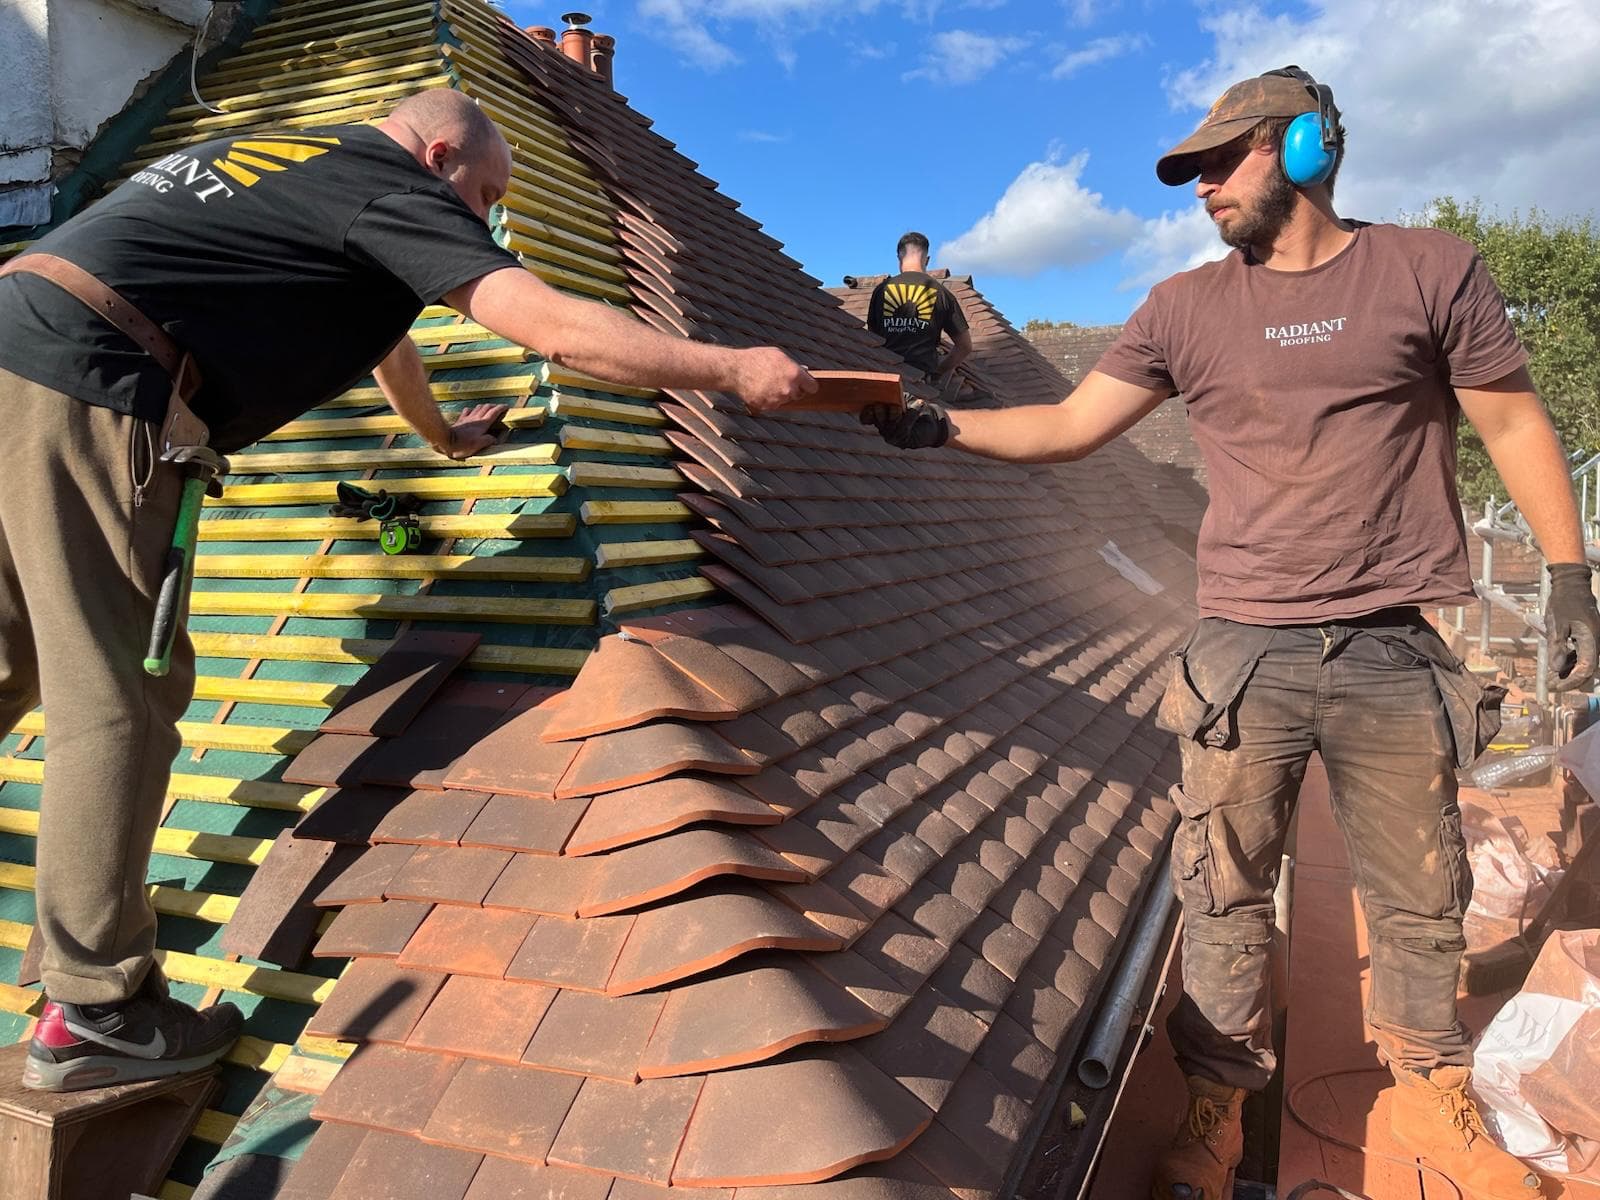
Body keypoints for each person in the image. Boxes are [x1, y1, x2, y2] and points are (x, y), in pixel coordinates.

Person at [840, 68, 1600, 1200]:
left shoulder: (1428, 270)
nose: (1199, 187)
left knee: (1419, 892)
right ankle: (1216, 1106)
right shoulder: (1181, 309)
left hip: (1395, 648)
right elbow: (1070, 425)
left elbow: (1511, 418)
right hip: (1244, 653)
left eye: (1219, 160)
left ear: (1306, 146)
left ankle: (1428, 1090)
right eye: (1189, 170)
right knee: (1221, 893)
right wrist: (941, 426)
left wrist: (1569, 573)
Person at [0, 89, 813, 1092]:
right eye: (486, 196)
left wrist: (440, 438)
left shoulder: (296, 156)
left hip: (13, 346)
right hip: (87, 381)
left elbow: (384, 337)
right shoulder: (392, 187)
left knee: (6, 662)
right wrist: (729, 368)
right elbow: (554, 328)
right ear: (438, 157)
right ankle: (96, 1010)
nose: (485, 223)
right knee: (119, 697)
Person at [865, 231, 971, 389]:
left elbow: (872, 340)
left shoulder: (881, 290)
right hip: (921, 383)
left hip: (886, 380)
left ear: (899, 258)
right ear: (927, 259)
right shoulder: (942, 294)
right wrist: (938, 372)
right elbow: (965, 346)